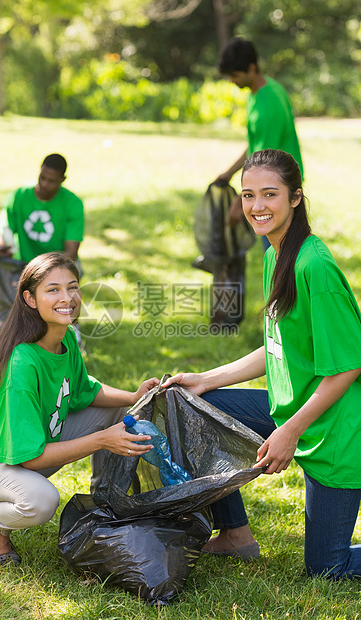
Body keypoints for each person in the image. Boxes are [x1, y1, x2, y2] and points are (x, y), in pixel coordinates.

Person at [165, 149, 361, 578]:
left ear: (295, 197)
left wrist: (291, 431)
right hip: (291, 412)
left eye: (269, 195)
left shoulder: (315, 266)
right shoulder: (277, 252)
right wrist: (206, 379)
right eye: (248, 195)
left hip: (338, 433)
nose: (256, 207)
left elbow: (348, 366)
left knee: (327, 568)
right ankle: (235, 534)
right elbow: (279, 346)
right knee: (195, 406)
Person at [0, 252, 159, 565]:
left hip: (30, 451)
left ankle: (103, 506)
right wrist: (102, 440)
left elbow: (85, 392)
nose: (67, 297)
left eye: (73, 287)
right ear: (30, 299)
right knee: (40, 500)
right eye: (53, 290)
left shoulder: (66, 341)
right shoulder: (22, 365)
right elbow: (31, 457)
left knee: (120, 415)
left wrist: (134, 396)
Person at [215, 38, 303, 234]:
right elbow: (255, 145)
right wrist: (229, 173)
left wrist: (239, 204)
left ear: (251, 68)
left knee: (280, 256)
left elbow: (264, 166)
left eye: (235, 75)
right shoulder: (265, 90)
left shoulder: (267, 109)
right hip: (274, 185)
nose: (231, 80)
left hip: (279, 189)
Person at [0, 154, 84, 263]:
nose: (44, 184)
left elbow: (71, 253)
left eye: (52, 181)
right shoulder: (18, 197)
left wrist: (42, 270)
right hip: (22, 264)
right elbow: (4, 236)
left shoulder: (73, 204)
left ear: (62, 179)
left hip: (58, 265)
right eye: (42, 177)